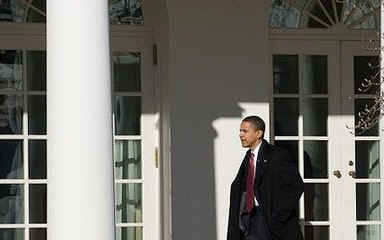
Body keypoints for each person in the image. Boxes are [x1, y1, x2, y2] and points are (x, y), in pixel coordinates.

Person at [227, 116, 304, 240]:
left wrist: (279, 216)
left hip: (269, 221)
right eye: (240, 131)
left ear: (258, 133)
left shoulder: (277, 155)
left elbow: (296, 186)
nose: (240, 135)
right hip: (250, 218)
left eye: (245, 131)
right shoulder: (249, 157)